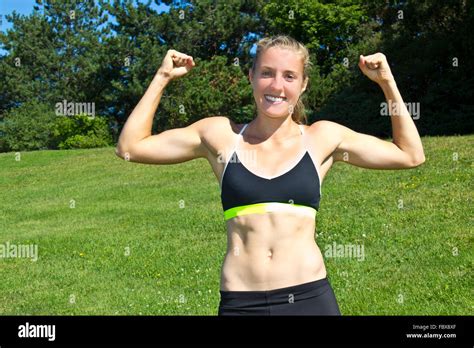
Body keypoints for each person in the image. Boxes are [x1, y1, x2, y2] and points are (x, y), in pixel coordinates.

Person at [115, 35, 425, 315]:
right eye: (267, 73)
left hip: (309, 300)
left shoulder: (322, 138)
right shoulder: (220, 136)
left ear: (302, 84)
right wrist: (162, 77)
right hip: (241, 303)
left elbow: (410, 155)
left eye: (289, 76)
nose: (277, 86)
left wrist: (387, 82)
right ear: (251, 77)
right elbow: (130, 146)